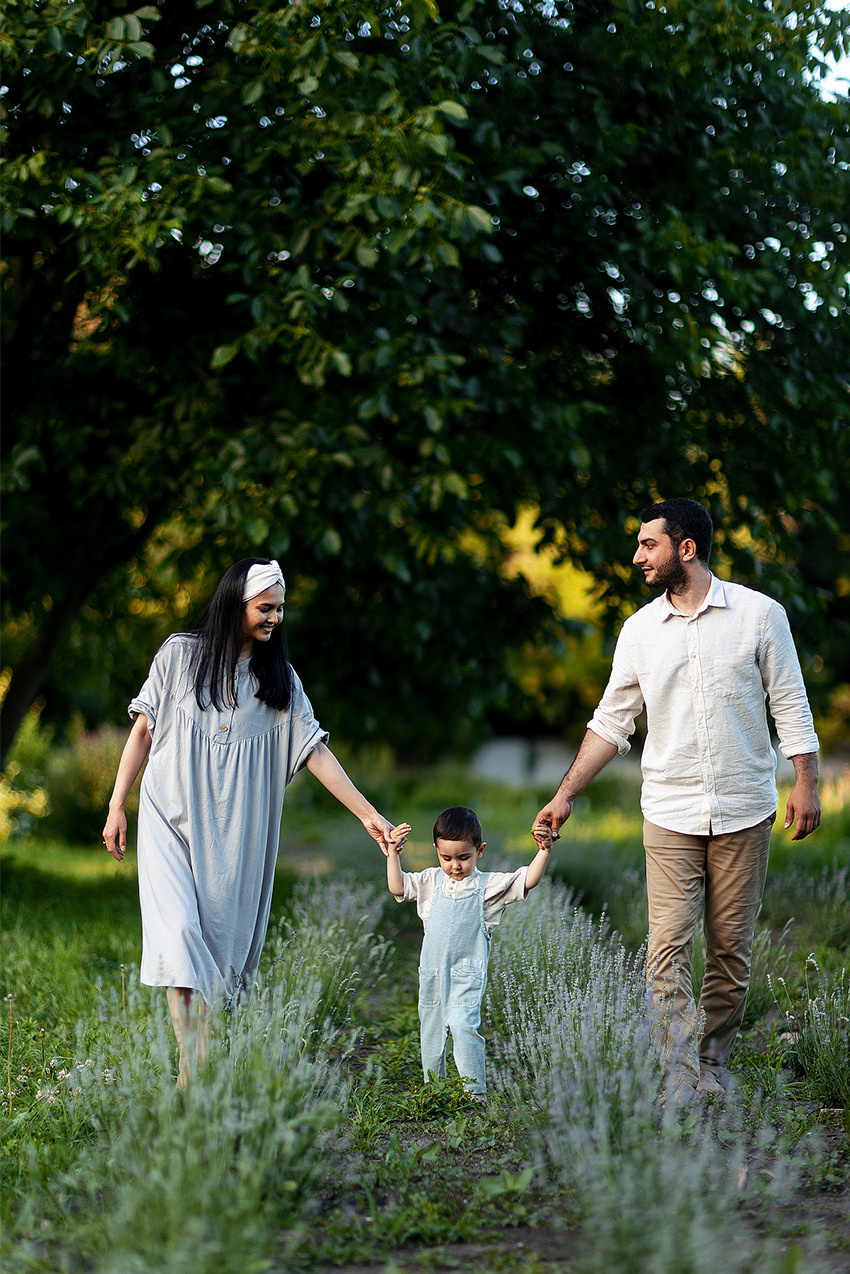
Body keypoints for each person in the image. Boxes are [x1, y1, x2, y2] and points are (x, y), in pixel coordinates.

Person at [533, 498, 821, 1105]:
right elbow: (611, 722)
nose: (637, 555)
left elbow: (790, 704)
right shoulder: (638, 632)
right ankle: (679, 1075)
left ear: (684, 549)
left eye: (648, 545)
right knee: (666, 947)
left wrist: (806, 781)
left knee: (730, 951)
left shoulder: (760, 616)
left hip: (744, 806)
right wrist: (564, 796)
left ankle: (712, 1060)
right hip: (668, 810)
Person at [102, 557, 395, 1085]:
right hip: (166, 816)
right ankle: (194, 1076)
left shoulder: (279, 682)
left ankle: (201, 1071)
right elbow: (144, 730)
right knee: (180, 936)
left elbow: (315, 752)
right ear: (236, 604)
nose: (275, 619)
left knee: (217, 948)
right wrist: (115, 802)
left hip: (234, 834)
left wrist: (369, 815)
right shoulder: (179, 656)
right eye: (266, 608)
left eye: (281, 609)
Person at [386, 806, 554, 1099]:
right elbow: (397, 886)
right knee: (432, 1027)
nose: (455, 865)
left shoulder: (487, 887)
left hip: (467, 975)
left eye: (464, 857)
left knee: (463, 1026)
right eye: (446, 857)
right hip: (434, 973)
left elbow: (527, 880)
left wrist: (544, 851)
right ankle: (433, 1088)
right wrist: (393, 853)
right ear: (436, 850)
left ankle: (473, 1092)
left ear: (480, 850)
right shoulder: (429, 881)